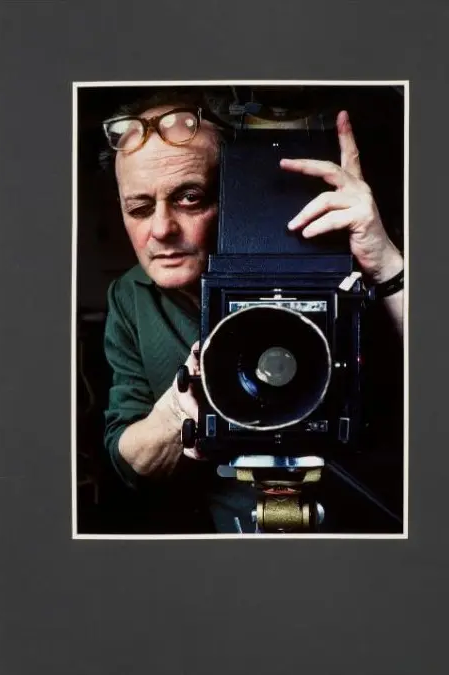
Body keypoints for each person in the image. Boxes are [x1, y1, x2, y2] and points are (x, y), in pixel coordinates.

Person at [100, 89, 404, 533]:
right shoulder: (130, 296)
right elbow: (126, 459)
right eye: (139, 208)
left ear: (240, 193)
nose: (161, 229)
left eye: (190, 198)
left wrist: (388, 267)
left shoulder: (347, 257)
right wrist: (177, 412)